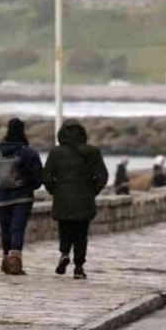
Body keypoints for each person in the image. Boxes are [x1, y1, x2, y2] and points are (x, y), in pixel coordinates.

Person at [43, 120, 108, 280]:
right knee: (81, 233)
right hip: (84, 198)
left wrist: (55, 191)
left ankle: (64, 253)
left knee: (64, 228)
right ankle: (79, 266)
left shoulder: (56, 153)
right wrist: (92, 191)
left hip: (62, 198)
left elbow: (47, 176)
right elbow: (102, 176)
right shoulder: (92, 152)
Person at [0, 118, 43, 275]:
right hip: (22, 197)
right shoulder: (28, 153)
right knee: (17, 228)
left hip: (1, 198)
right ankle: (14, 261)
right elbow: (38, 178)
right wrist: (29, 187)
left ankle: (5, 259)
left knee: (6, 229)